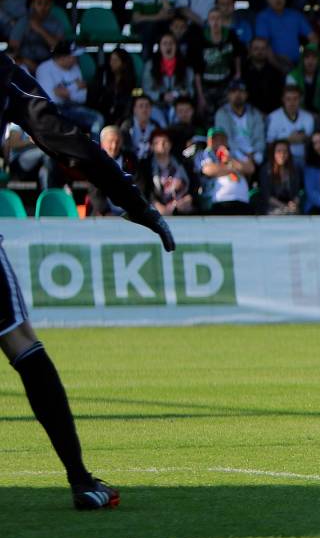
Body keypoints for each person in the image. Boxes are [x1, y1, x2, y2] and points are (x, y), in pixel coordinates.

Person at [0, 52, 173, 509]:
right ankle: (80, 479)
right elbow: (67, 142)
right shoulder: (7, 76)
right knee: (20, 340)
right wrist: (136, 205)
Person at [35, 42, 104, 139]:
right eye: (73, 56)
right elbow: (50, 97)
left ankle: (95, 149)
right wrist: (75, 86)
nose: (76, 59)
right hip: (52, 109)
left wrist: (65, 92)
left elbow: (82, 97)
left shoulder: (74, 68)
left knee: (97, 118)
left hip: (72, 107)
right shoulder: (44, 68)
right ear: (63, 58)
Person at [191, 7, 245, 118]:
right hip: (207, 84)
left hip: (225, 83)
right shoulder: (200, 38)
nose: (215, 22)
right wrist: (200, 96)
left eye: (218, 18)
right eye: (212, 18)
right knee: (207, 115)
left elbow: (238, 54)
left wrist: (238, 72)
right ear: (208, 21)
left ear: (223, 20)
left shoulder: (230, 35)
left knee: (227, 114)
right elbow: (196, 71)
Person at [254, 0, 315, 69]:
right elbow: (263, 45)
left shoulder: (295, 15)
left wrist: (307, 59)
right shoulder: (262, 18)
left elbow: (312, 37)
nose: (278, 0)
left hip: (298, 64)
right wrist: (277, 66)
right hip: (274, 65)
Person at [196, 126, 254, 214]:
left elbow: (250, 168)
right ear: (209, 141)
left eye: (222, 139)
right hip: (219, 202)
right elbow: (209, 170)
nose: (219, 142)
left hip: (242, 201)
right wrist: (235, 168)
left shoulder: (234, 154)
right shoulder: (204, 154)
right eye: (215, 139)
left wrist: (230, 160)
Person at [142, 32, 196, 125]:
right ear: (160, 47)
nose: (168, 46)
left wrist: (183, 94)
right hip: (157, 106)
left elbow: (191, 91)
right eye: (165, 43)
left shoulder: (186, 67)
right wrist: (161, 96)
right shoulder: (150, 66)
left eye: (171, 43)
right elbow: (146, 90)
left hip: (178, 107)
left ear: (176, 46)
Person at [139, 129, 195, 215]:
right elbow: (143, 191)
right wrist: (156, 205)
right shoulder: (145, 166)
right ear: (151, 146)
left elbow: (195, 183)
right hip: (157, 213)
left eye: (165, 142)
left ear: (170, 144)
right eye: (157, 143)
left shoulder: (182, 162)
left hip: (184, 211)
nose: (161, 145)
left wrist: (190, 198)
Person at [7, 0, 63, 73]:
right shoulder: (23, 21)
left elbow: (60, 48)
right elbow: (12, 49)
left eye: (46, 3)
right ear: (32, 5)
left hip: (48, 63)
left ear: (51, 5)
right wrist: (25, 61)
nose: (43, 7)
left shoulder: (55, 23)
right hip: (26, 62)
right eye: (39, 3)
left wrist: (40, 29)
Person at [214, 79, 265, 166]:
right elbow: (225, 140)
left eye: (241, 91)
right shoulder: (222, 113)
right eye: (233, 91)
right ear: (228, 95)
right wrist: (243, 157)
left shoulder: (255, 113)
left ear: (246, 95)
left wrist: (254, 154)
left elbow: (260, 139)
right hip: (232, 157)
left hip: (254, 156)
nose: (237, 95)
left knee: (260, 159)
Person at [266, 84, 315, 168]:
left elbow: (314, 144)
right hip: (281, 161)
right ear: (283, 100)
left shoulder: (308, 118)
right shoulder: (273, 117)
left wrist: (306, 139)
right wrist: (288, 140)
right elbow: (269, 144)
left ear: (300, 99)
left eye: (295, 99)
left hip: (303, 160)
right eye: (288, 99)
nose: (292, 103)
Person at [90, 47, 138, 128]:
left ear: (123, 63)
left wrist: (121, 119)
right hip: (102, 113)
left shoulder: (129, 80)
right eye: (111, 59)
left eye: (116, 60)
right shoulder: (103, 74)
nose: (112, 62)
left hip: (120, 116)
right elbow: (96, 97)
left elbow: (128, 104)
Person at [286, 42, 320, 113]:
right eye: (307, 57)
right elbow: (291, 100)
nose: (310, 61)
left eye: (314, 57)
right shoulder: (292, 76)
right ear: (302, 59)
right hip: (298, 114)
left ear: (319, 60)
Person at [241, 36, 285, 115]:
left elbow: (279, 98)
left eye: (263, 49)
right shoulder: (242, 72)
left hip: (272, 115)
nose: (260, 52)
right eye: (256, 49)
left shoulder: (276, 73)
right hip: (248, 115)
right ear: (250, 50)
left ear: (267, 51)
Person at [257, 139, 301, 215]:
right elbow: (267, 196)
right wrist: (284, 206)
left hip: (290, 207)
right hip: (272, 208)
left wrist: (294, 204)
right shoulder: (266, 170)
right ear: (273, 153)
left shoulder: (294, 170)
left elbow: (297, 192)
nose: (282, 154)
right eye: (279, 151)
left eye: (285, 151)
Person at [122, 93, 161, 161]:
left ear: (151, 109)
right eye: (141, 106)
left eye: (147, 106)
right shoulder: (127, 126)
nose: (144, 109)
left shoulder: (156, 126)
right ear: (134, 109)